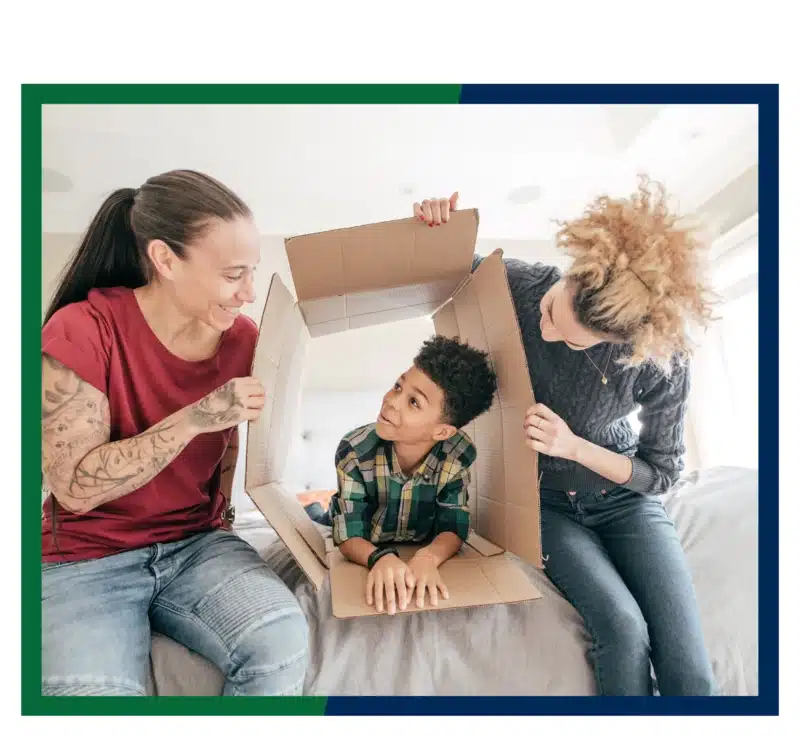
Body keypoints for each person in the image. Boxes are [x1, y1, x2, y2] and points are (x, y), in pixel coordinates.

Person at [413, 180, 718, 696]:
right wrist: (436, 222)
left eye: (570, 338)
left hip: (625, 502)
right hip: (545, 505)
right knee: (623, 631)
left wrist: (573, 445)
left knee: (689, 672)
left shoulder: (661, 363)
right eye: (553, 308)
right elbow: (439, 260)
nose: (547, 328)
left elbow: (660, 472)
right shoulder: (523, 283)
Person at [40, 169, 309, 696]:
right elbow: (73, 488)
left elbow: (229, 452)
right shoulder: (82, 330)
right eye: (234, 275)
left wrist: (223, 517)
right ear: (165, 260)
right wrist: (194, 417)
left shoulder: (242, 340)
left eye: (251, 273)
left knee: (281, 645)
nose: (248, 294)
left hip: (197, 546)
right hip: (85, 557)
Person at [305, 335, 498, 616]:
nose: (391, 401)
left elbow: (453, 525)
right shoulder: (355, 450)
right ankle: (316, 508)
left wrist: (428, 557)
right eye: (398, 386)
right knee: (323, 518)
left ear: (442, 432)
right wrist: (379, 558)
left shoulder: (458, 455)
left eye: (413, 402)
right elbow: (348, 535)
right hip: (365, 530)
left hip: (417, 534)